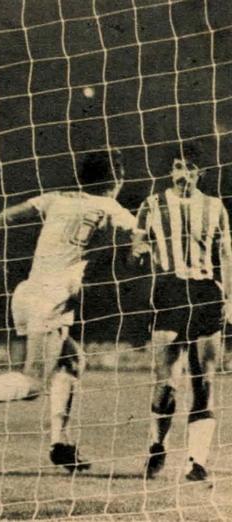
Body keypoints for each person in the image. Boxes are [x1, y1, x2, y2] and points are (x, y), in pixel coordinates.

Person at [0, 151, 136, 473]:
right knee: (33, 383)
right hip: (52, 299)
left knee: (72, 361)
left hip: (28, 291)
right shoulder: (112, 208)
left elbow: (3, 217)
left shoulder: (57, 198)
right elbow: (139, 241)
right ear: (116, 180)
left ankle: (60, 443)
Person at [132, 143, 231, 482]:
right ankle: (157, 445)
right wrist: (139, 250)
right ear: (170, 170)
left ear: (200, 173)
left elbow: (226, 254)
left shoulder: (214, 206)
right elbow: (137, 241)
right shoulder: (152, 204)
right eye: (177, 166)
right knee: (166, 383)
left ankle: (196, 461)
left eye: (189, 168)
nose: (182, 174)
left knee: (204, 382)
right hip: (169, 291)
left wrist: (230, 298)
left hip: (205, 292)